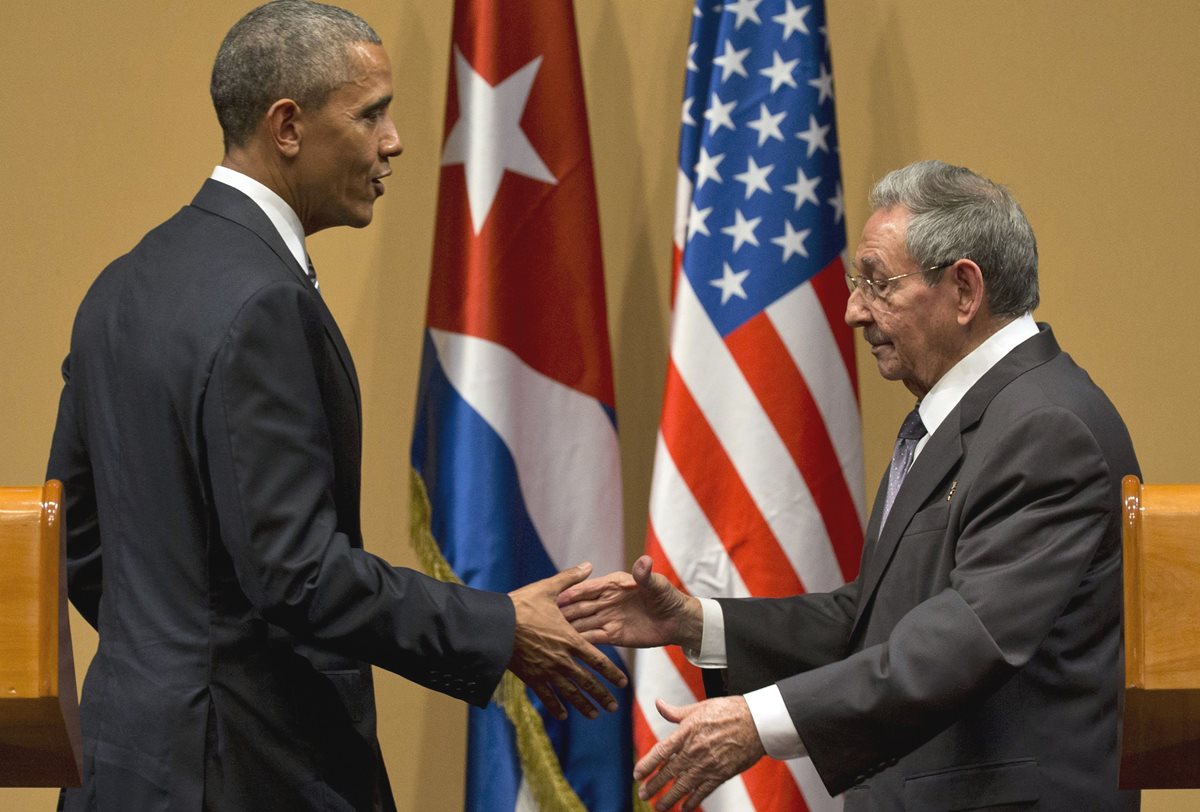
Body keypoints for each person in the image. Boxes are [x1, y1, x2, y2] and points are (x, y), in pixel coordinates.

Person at [46, 3, 625, 810]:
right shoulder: (264, 304)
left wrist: (168, 662)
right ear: (288, 126)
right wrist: (495, 627)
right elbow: (298, 574)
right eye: (371, 114)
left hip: (124, 765)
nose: (393, 142)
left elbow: (75, 539)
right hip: (247, 775)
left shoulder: (121, 283)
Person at [561, 160, 1141, 811]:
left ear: (965, 289)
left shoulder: (1046, 426)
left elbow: (965, 638)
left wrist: (761, 721)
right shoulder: (963, 418)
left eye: (877, 283)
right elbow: (879, 619)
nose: (851, 311)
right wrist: (700, 623)